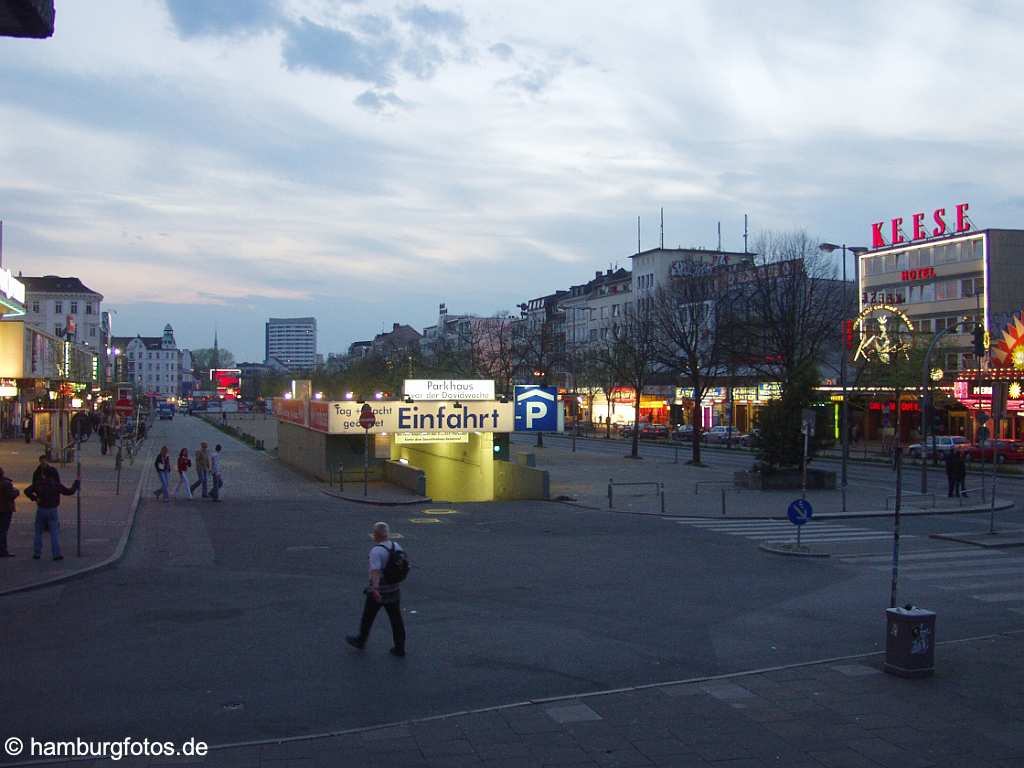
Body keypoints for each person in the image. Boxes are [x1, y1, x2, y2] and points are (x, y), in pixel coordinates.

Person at [346, 522, 407, 657]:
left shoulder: (376, 551)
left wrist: (375, 589)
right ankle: (400, 647)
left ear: (376, 535)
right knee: (396, 619)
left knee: (368, 616)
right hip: (394, 589)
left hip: (381, 590)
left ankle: (361, 640)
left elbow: (375, 572)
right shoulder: (396, 546)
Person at [24, 455, 78, 561]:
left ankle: (37, 553)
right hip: (52, 508)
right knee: (54, 532)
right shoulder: (55, 483)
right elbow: (69, 491)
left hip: (41, 508)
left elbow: (27, 490)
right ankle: (56, 554)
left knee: (38, 532)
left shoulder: (38, 481)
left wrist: (35, 498)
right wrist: (76, 484)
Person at [0, 466, 20, 557]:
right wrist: (16, 491)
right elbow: (11, 494)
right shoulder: (6, 483)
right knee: (3, 530)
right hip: (5, 509)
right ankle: (3, 550)